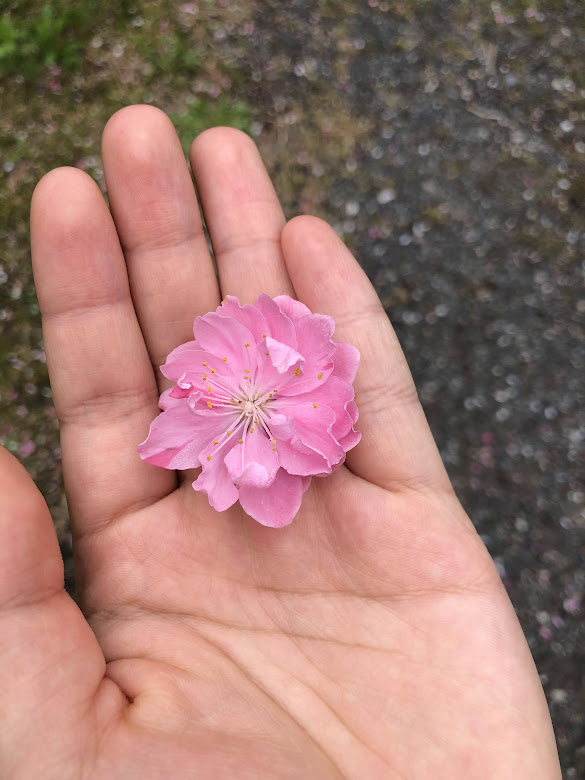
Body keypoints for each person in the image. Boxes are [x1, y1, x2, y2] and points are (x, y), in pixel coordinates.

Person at [0, 105, 560, 778]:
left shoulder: (305, 382)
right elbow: (189, 401)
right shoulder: (211, 390)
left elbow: (314, 396)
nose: (244, 402)